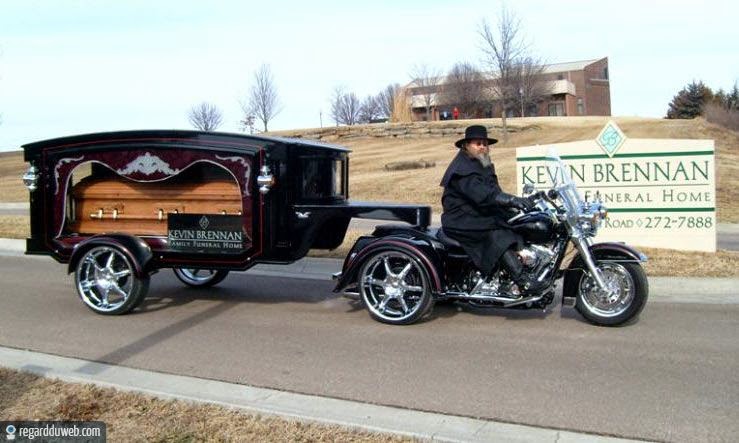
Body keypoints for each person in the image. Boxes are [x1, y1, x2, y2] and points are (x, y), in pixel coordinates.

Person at [439, 125, 546, 294]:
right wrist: (512, 200)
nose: (482, 146)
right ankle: (522, 281)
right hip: (460, 220)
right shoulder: (462, 170)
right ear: (466, 146)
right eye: (477, 143)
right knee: (498, 234)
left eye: (484, 143)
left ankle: (522, 267)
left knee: (519, 223)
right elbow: (482, 195)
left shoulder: (483, 164)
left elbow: (495, 193)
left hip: (477, 215)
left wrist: (518, 205)